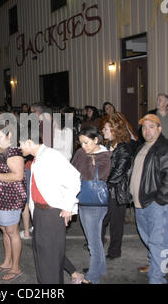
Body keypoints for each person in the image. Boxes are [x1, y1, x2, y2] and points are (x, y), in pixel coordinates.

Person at [19, 129, 80, 284]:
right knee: (41, 256)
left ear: (29, 142)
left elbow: (74, 178)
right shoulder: (36, 159)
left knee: (50, 259)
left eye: (21, 144)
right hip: (39, 213)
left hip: (51, 214)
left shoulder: (51, 155)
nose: (19, 148)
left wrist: (68, 206)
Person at [129, 114, 168, 284]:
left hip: (157, 204)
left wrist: (159, 201)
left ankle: (157, 279)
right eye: (144, 127)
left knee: (157, 241)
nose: (147, 130)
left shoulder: (166, 148)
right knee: (149, 239)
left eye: (151, 126)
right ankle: (156, 265)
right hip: (141, 202)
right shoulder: (142, 146)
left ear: (159, 129)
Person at [0, 125, 27, 281]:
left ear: (10, 135)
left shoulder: (13, 151)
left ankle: (16, 267)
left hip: (10, 197)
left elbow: (17, 176)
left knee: (12, 232)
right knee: (5, 230)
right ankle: (8, 262)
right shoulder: (0, 149)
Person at [72, 126, 112, 284]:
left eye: (86, 142)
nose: (83, 147)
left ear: (96, 140)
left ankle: (92, 277)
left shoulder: (105, 156)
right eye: (81, 143)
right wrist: (84, 155)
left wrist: (88, 159)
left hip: (96, 203)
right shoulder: (82, 152)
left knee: (94, 242)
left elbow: (95, 176)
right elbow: (72, 169)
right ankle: (101, 268)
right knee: (92, 239)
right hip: (83, 199)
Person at [101, 115, 133, 260]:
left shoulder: (124, 148)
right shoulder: (106, 145)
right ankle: (98, 244)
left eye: (106, 128)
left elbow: (118, 173)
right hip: (105, 190)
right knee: (100, 221)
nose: (103, 131)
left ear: (115, 130)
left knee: (115, 225)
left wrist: (103, 185)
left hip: (116, 192)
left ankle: (114, 251)